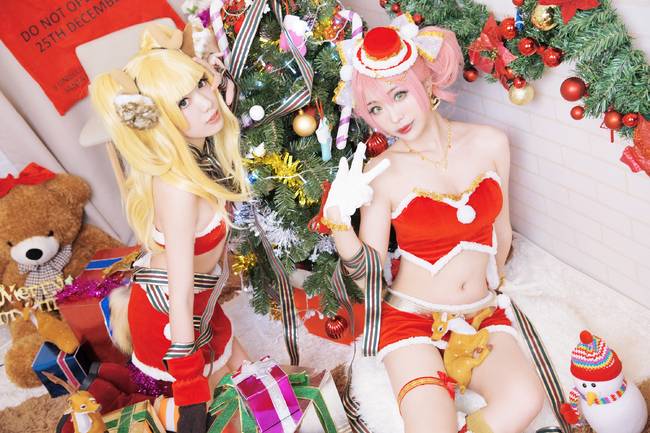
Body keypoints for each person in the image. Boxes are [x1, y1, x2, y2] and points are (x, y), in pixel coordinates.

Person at [323, 17, 545, 433]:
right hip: (411, 318)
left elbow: (502, 230)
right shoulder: (381, 172)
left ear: (426, 82)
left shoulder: (491, 142)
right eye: (376, 109)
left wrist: (489, 286)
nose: (393, 117)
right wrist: (338, 225)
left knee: (526, 399)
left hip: (480, 313)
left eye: (399, 94)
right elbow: (369, 275)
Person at [90, 24, 250, 432]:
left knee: (254, 385)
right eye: (183, 101)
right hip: (171, 311)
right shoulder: (178, 189)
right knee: (227, 415)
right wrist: (189, 382)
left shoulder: (197, 152)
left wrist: (212, 78)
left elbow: (220, 98)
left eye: (201, 84)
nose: (206, 102)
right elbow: (179, 293)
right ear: (159, 119)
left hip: (200, 301)